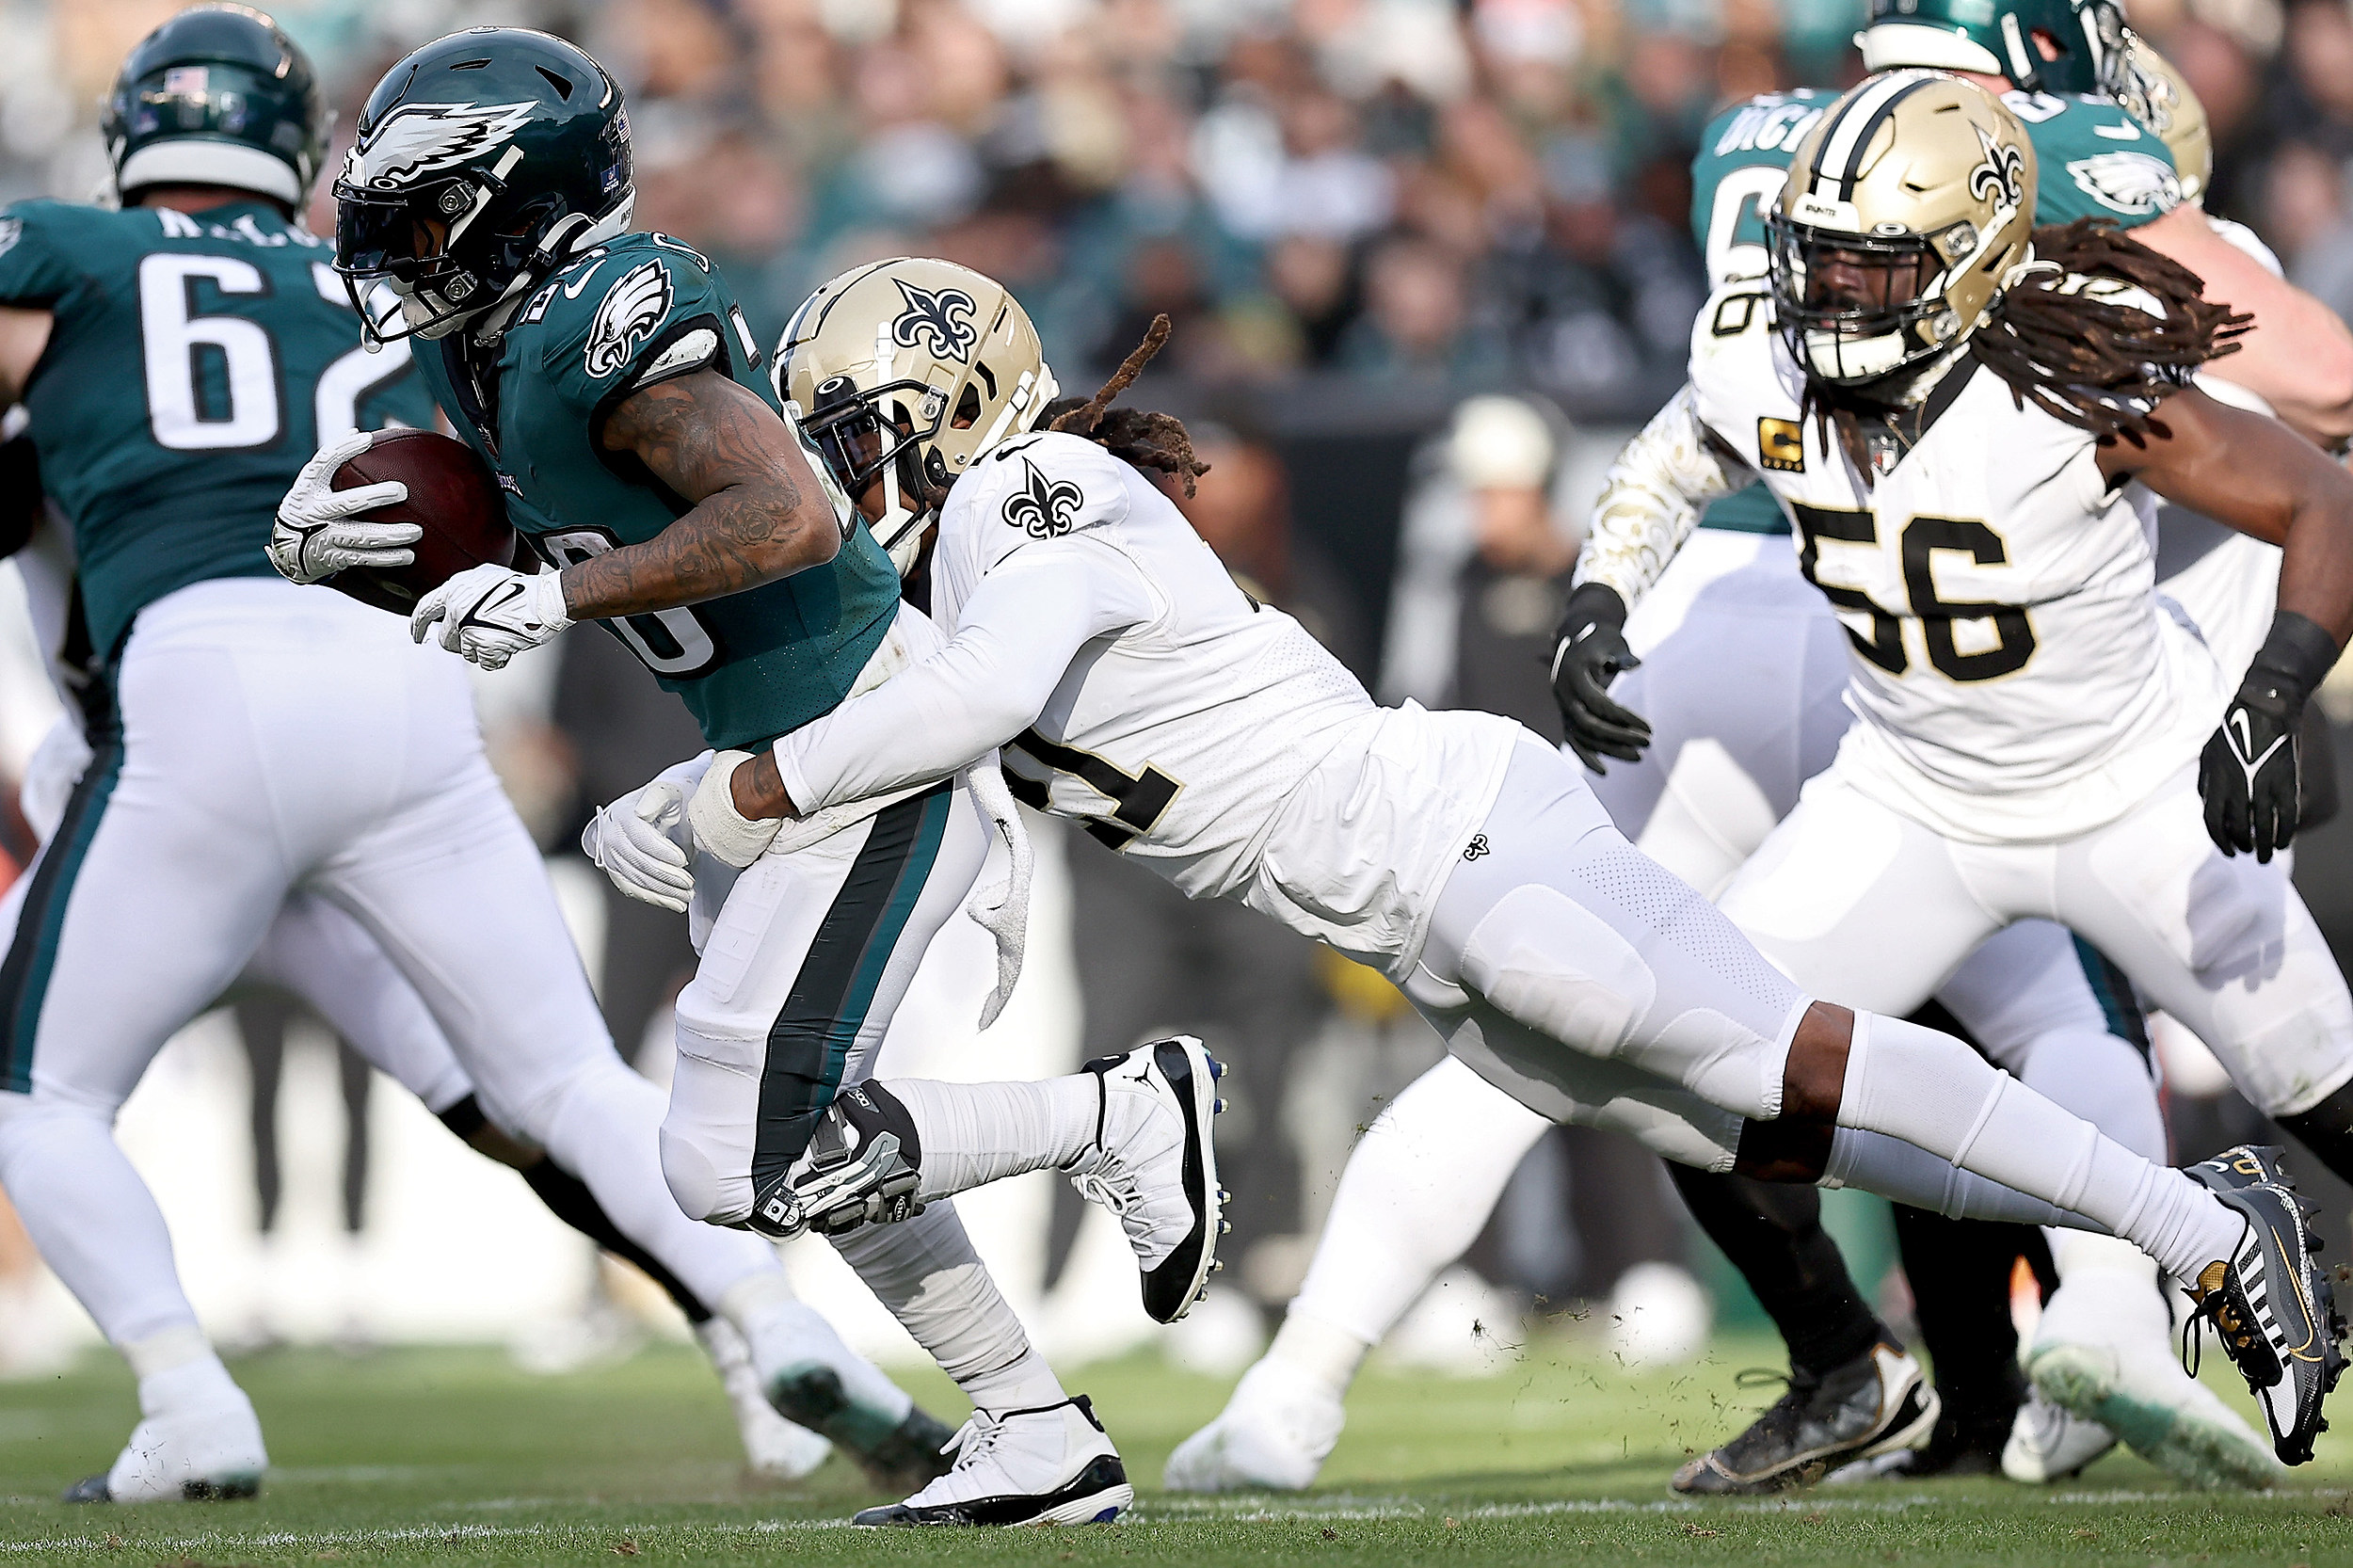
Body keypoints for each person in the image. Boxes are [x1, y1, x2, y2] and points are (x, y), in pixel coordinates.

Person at [707, 229, 2342, 1480]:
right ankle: (2186, 1217)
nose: (844, 479)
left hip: (1453, 831)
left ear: (949, 404)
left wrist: (757, 785)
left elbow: (984, 700)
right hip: (1413, 907)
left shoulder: (1030, 487)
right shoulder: (976, 559)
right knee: (1782, 1135)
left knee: (1785, 1054)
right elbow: (984, 735)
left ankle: (2201, 1229)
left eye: (855, 435)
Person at [1172, 5, 2330, 1496]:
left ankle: (1334, 1383)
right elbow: (2320, 378)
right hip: (1891, 664)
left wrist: (1601, 589)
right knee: (1984, 1017)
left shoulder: (1770, 147)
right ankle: (2102, 1313)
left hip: (1742, 619)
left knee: (1627, 1029)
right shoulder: (2045, 170)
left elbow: (1682, 423)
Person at [0, 7, 945, 1505]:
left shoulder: (70, 262)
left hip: (192, 713)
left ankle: (186, 1395)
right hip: (396, 697)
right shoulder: (395, 288)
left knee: (34, 1093)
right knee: (557, 1086)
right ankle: (777, 1329)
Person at [299, 30, 1218, 1529]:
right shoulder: (485, 346)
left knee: (733, 1157)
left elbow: (784, 515)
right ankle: (1039, 1429)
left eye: (421, 213)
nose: (388, 246)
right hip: (766, 761)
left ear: (514, 206)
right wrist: (391, 549)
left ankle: (1119, 1113)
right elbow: (588, 531)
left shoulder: (603, 315)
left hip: (860, 743)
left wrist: (554, 604)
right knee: (803, 1136)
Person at [1547, 68, 2353, 1466]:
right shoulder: (1765, 348)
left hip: (2135, 793)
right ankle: (1848, 1365)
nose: (1834, 293)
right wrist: (1601, 589)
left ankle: (2221, 1232)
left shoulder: (2069, 370)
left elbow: (2318, 495)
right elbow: (1676, 454)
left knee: (2325, 1087)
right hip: (1908, 794)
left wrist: (2277, 688)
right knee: (1685, 1070)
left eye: (1873, 263)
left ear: (1970, 255)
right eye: (1819, 256)